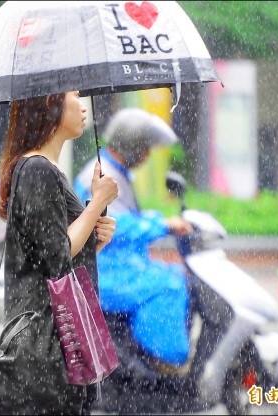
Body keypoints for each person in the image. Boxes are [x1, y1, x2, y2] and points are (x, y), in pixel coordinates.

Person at [0, 91, 118, 415]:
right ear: (50, 103)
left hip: (57, 347)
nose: (82, 104)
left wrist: (94, 236)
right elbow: (58, 260)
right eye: (74, 95)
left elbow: (53, 253)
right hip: (44, 350)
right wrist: (98, 204)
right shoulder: (36, 169)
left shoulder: (46, 170)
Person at [74, 108, 194, 368]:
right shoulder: (100, 177)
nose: (148, 154)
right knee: (168, 286)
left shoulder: (112, 172)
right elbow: (117, 226)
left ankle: (148, 356)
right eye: (146, 147)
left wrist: (157, 220)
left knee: (177, 275)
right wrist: (163, 224)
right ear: (133, 146)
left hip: (117, 266)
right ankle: (166, 363)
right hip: (105, 275)